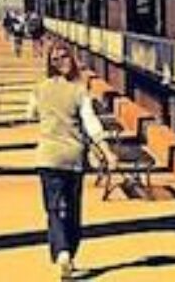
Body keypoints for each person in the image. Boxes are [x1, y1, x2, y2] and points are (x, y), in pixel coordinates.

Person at [27, 40, 110, 279]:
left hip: (47, 157)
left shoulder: (40, 88)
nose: (61, 61)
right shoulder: (79, 90)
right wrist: (107, 151)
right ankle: (69, 253)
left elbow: (29, 112)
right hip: (73, 157)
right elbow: (92, 123)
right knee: (72, 209)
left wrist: (47, 115)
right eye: (58, 58)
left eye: (62, 57)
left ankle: (62, 252)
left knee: (54, 209)